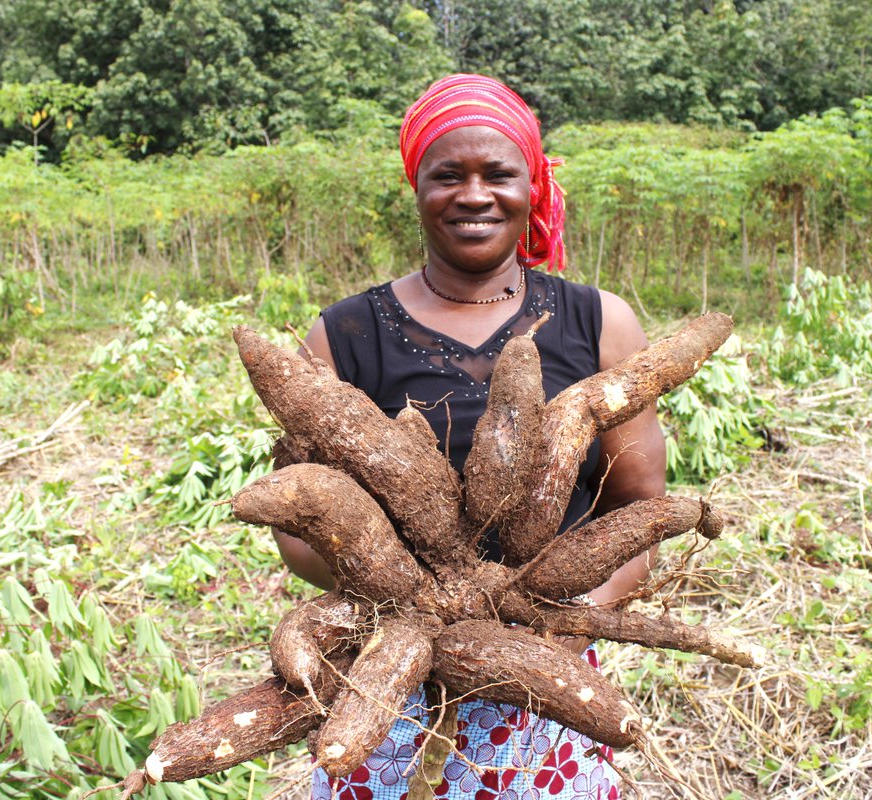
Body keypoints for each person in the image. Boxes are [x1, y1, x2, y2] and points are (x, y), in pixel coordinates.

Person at [274, 74, 666, 800]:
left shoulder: (599, 322)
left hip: (548, 672)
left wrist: (560, 628)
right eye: (447, 175)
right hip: (384, 677)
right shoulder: (343, 335)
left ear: (532, 184)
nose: (475, 194)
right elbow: (298, 529)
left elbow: (641, 507)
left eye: (499, 173)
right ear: (416, 187)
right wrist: (408, 609)